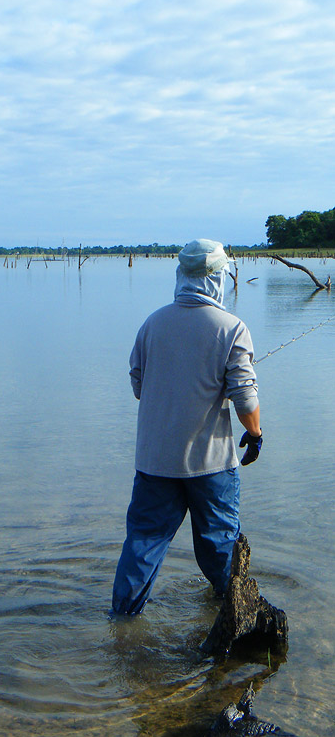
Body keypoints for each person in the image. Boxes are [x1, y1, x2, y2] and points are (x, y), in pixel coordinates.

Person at [111, 239, 262, 616]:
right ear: (218, 278)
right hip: (210, 463)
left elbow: (137, 385)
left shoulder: (152, 323)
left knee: (143, 546)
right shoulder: (232, 328)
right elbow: (245, 398)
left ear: (181, 276)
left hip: (154, 461)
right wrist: (256, 435)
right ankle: (231, 618)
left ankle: (122, 622)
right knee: (219, 547)